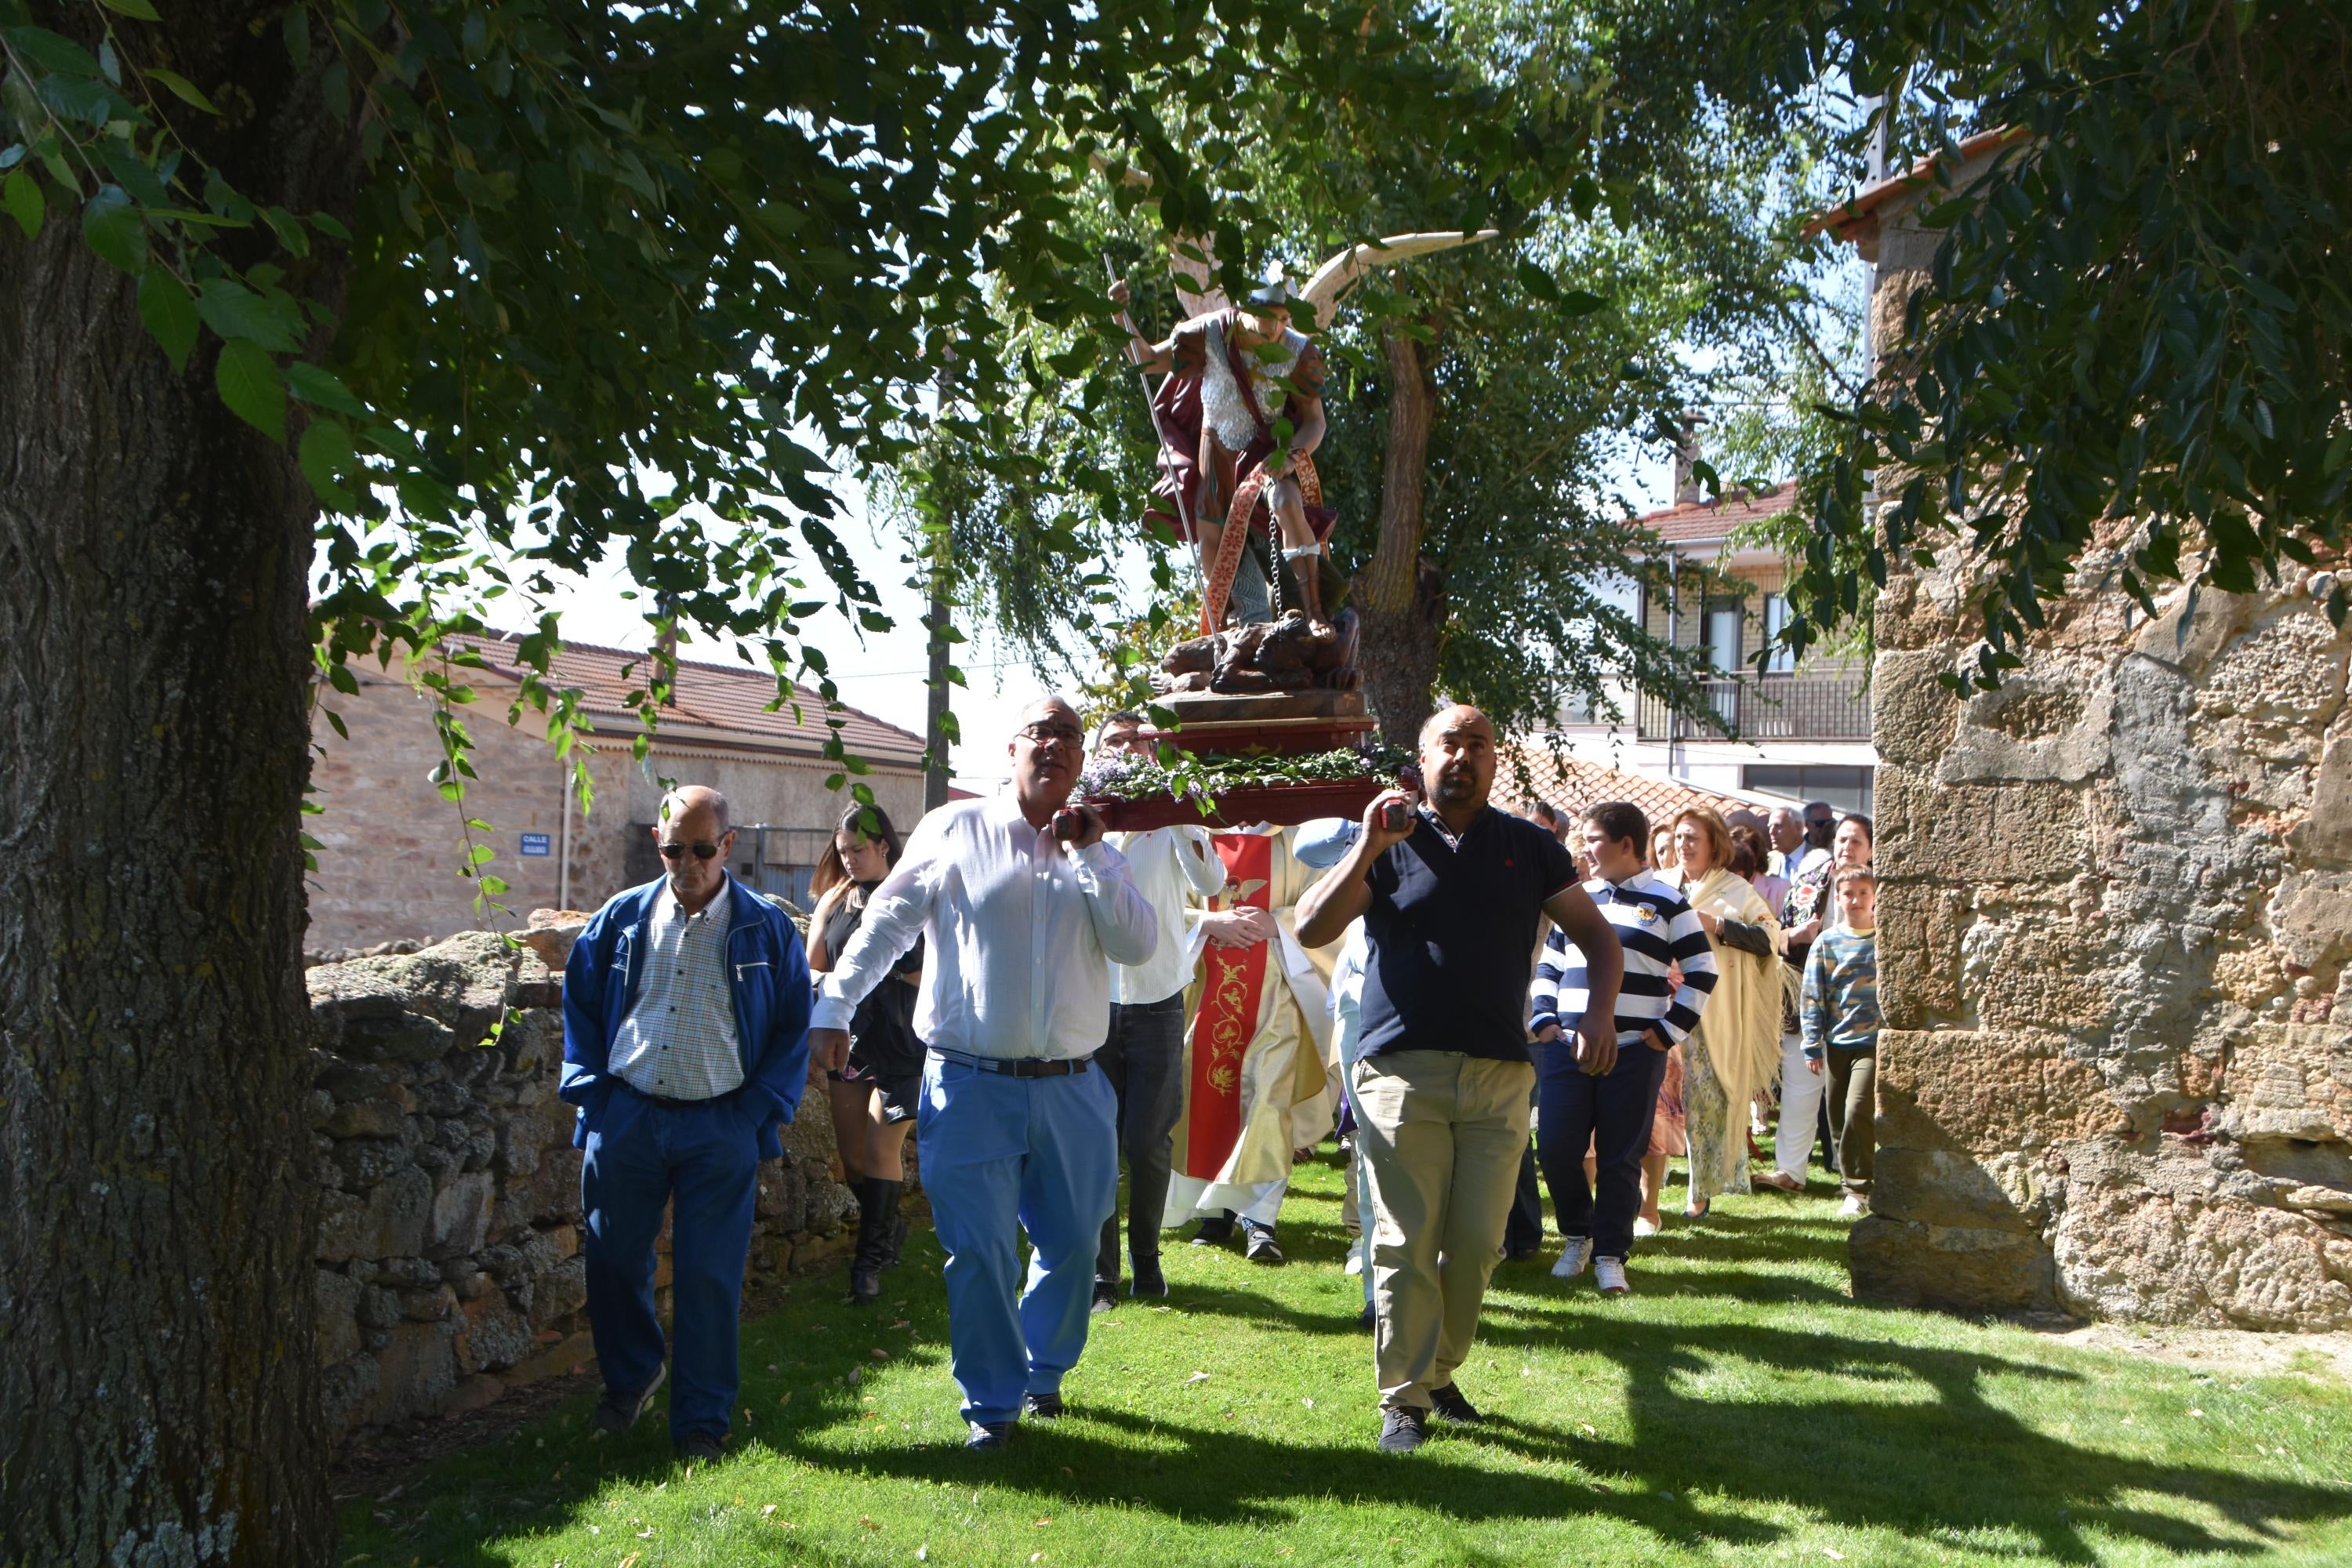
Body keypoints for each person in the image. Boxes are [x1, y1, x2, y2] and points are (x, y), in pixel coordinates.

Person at [808, 699, 1157, 1450]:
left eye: (1070, 735)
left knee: (1071, 1243)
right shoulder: (954, 828)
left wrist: (1092, 855)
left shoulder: (1099, 843)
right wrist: (834, 1003)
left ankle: (1045, 1369)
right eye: (1042, 732)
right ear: (1012, 749)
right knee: (981, 1252)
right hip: (969, 1083)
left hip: (1073, 1086)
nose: (1056, 745)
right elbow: (887, 926)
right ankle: (993, 1407)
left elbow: (1136, 944)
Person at [1295, 706, 1624, 1454]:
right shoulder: (1385, 839)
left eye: (1478, 744)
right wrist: (1371, 842)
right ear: (1424, 755)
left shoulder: (1531, 848)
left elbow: (1599, 942)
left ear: (1495, 760)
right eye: (1450, 742)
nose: (1463, 756)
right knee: (1406, 1240)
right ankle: (1405, 1399)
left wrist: (1598, 1013)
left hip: (1501, 1074)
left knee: (1479, 1243)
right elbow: (1312, 927)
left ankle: (1437, 1371)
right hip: (1398, 1070)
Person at [560, 786, 814, 1462]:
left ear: (728, 846)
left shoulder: (765, 927)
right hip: (630, 1115)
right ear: (658, 843)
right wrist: (597, 1096)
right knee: (613, 1262)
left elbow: (794, 1026)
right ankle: (632, 1379)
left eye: (702, 848)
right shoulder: (620, 918)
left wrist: (755, 1111)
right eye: (675, 848)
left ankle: (701, 1419)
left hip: (720, 1123)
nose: (688, 861)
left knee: (708, 1277)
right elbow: (580, 1005)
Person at [1527, 803, 1716, 1295]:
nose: (1583, 849)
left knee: (1619, 1157)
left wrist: (1665, 1034)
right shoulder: (1576, 898)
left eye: (1592, 839)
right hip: (1565, 1049)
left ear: (1626, 845)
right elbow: (1548, 968)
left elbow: (1702, 970)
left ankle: (1610, 1254)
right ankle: (1576, 1235)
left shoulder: (1668, 901)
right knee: (1557, 1148)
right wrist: (1545, 1022)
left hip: (1634, 1052)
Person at [1089, 713, 1226, 1312]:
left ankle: (1146, 1258)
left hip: (1157, 1000)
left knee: (1145, 1140)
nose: (1126, 751)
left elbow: (1211, 876)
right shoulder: (1082, 816)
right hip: (1090, 1002)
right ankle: (1102, 1275)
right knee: (1094, 1141)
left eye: (1136, 741)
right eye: (1114, 742)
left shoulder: (1171, 808)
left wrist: (1172, 808)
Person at [1112, 277, 1342, 627]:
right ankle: (1244, 617)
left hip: (1268, 454)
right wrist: (1119, 315)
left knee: (1287, 503)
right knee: (1213, 536)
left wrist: (1291, 455)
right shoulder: (1210, 333)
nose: (1279, 327)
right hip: (1216, 452)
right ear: (1248, 309)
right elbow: (1146, 360)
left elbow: (1315, 422)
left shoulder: (1299, 350)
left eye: (1285, 318)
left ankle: (1314, 611)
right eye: (1272, 317)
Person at [1165, 821, 1336, 1264]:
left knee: (1269, 1096)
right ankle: (1214, 1212)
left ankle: (1261, 1220)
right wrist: (1208, 920)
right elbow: (1162, 906)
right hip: (1205, 985)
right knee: (1204, 1093)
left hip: (1277, 990)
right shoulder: (1192, 835)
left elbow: (1331, 901)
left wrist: (1277, 921)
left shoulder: (1296, 838)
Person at [808, 804, 926, 1305]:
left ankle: (867, 1266)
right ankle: (889, 1227)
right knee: (853, 1159)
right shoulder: (835, 900)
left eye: (859, 850)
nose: (850, 860)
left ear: (884, 846)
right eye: (843, 852)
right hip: (849, 1041)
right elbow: (811, 965)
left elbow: (937, 969)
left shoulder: (914, 895)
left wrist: (886, 973)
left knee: (881, 1149)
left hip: (904, 1043)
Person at [1669, 808, 1784, 1218]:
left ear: (1713, 843)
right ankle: (1643, 1195)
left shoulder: (1734, 890)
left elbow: (1770, 937)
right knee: (1658, 1103)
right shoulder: (1664, 885)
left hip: (1711, 1014)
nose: (1683, 845)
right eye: (1679, 837)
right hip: (1660, 1007)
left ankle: (1697, 1195)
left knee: (1704, 1101)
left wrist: (1715, 924)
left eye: (1692, 838)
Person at [1762, 811, 1874, 1191]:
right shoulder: (1810, 882)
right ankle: (1790, 1172)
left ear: (1872, 849)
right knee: (1799, 1087)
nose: (1847, 847)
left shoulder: (1882, 890)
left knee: (1851, 1102)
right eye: (1842, 839)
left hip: (1860, 1010)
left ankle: (1856, 1181)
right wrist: (1799, 934)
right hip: (1806, 999)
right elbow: (1776, 936)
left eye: (1856, 840)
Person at [1803, 866, 1882, 1218]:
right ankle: (1851, 1181)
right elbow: (1812, 995)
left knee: (1856, 1109)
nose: (1856, 900)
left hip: (1872, 1043)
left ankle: (1859, 1186)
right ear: (1837, 898)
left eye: (1864, 893)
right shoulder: (1827, 942)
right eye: (1849, 894)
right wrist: (1811, 1042)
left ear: (1875, 897)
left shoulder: (1883, 941)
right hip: (1837, 1042)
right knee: (1836, 1115)